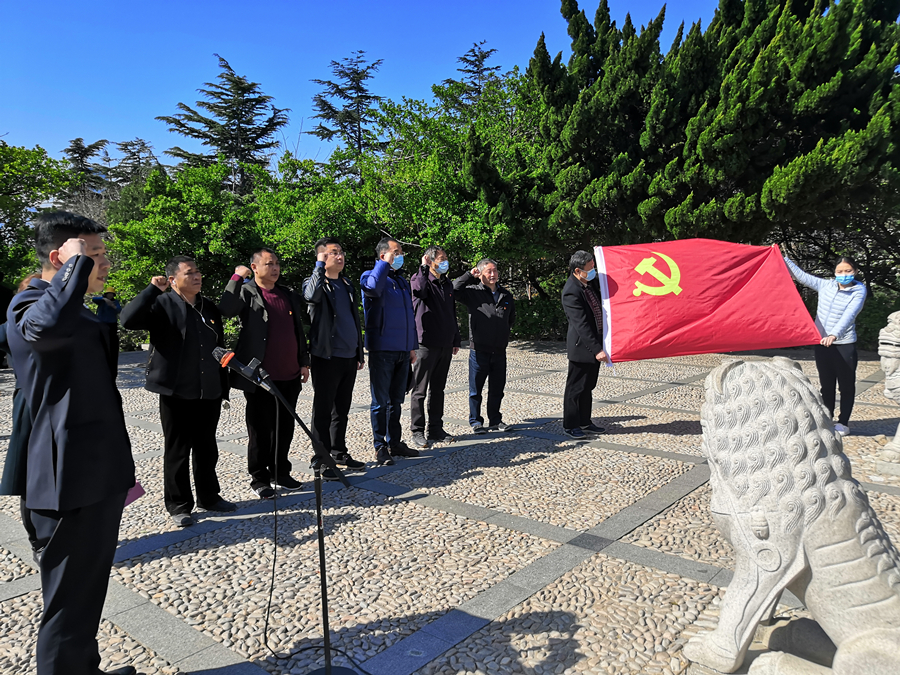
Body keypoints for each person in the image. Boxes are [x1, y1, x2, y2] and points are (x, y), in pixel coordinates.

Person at [5, 211, 136, 675]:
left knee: (84, 591)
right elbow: (42, 330)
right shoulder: (30, 305)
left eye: (102, 255)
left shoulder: (72, 305)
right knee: (66, 602)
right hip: (66, 478)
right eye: (94, 256)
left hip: (93, 470)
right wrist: (75, 269)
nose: (105, 264)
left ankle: (86, 668)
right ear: (62, 258)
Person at [121, 256, 236, 526]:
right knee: (178, 449)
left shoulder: (207, 306)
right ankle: (179, 504)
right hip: (175, 390)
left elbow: (217, 341)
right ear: (173, 279)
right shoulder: (161, 304)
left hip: (208, 388)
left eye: (198, 271)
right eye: (189, 273)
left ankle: (210, 497)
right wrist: (151, 290)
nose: (197, 276)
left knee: (207, 447)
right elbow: (127, 320)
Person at [219, 247, 311, 498]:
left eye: (277, 264)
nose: (275, 268)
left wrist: (304, 361)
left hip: (289, 373)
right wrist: (236, 277)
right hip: (259, 376)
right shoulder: (248, 292)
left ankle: (281, 472)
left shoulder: (287, 294)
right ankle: (259, 477)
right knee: (260, 429)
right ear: (255, 267)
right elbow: (226, 309)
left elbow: (297, 332)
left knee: (285, 427)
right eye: (269, 264)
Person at [784, 254, 868, 436]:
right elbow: (801, 276)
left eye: (848, 271)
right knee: (826, 385)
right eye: (840, 271)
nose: (843, 274)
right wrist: (783, 258)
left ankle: (844, 422)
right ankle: (827, 418)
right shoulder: (826, 285)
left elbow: (849, 315)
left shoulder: (859, 290)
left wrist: (834, 334)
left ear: (855, 271)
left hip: (844, 344)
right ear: (835, 272)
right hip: (822, 343)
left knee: (846, 385)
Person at [303, 238, 366, 474]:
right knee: (323, 409)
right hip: (326, 356)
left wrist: (359, 351)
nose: (340, 256)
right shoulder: (315, 283)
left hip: (349, 356)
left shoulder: (347, 284)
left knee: (341, 409)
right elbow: (310, 296)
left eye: (341, 252)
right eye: (333, 253)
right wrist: (318, 267)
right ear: (322, 257)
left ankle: (339, 452)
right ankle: (321, 457)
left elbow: (353, 319)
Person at [360, 237, 419, 465]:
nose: (400, 256)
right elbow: (373, 288)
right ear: (383, 255)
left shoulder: (401, 282)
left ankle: (395, 443)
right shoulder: (371, 276)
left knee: (396, 401)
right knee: (380, 402)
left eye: (401, 252)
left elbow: (410, 316)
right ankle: (380, 446)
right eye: (396, 252)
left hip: (403, 350)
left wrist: (412, 345)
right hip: (383, 349)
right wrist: (382, 264)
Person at [453, 259, 516, 434]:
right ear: (480, 274)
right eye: (488, 271)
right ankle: (476, 421)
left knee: (497, 388)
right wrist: (468, 275)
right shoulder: (473, 292)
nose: (493, 274)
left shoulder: (506, 295)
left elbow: (511, 318)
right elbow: (454, 290)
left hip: (499, 350)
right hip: (479, 349)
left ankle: (495, 420)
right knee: (476, 390)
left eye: (495, 270)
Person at [409, 245, 461, 448]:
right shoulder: (420, 278)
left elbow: (451, 313)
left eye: (446, 257)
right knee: (420, 389)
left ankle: (436, 428)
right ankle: (417, 430)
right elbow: (419, 292)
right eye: (441, 258)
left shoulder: (446, 283)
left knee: (438, 389)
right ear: (430, 261)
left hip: (445, 343)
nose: (445, 261)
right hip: (426, 343)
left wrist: (456, 338)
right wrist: (423, 269)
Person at [560, 250, 608, 439]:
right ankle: (571, 424)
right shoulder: (571, 291)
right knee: (575, 388)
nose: (593, 271)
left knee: (588, 386)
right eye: (590, 269)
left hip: (596, 342)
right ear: (578, 271)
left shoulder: (589, 284)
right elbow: (581, 325)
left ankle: (584, 421)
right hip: (582, 347)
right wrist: (597, 349)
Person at [91, 288, 122, 373]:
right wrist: (104, 299)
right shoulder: (102, 301)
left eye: (111, 294)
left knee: (112, 341)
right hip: (102, 323)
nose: (110, 295)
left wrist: (112, 305)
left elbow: (119, 310)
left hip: (112, 324)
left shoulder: (115, 302)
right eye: (108, 294)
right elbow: (93, 299)